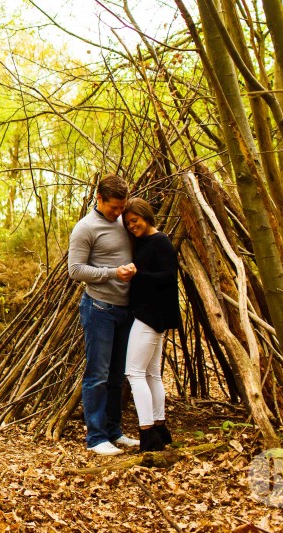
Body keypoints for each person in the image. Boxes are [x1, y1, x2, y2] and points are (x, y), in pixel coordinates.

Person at [68, 174, 139, 456]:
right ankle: (96, 438)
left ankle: (114, 432)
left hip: (125, 309)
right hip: (99, 309)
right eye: (114, 207)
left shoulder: (125, 221)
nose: (119, 213)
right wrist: (113, 273)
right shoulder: (85, 228)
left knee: (116, 376)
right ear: (99, 198)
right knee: (97, 374)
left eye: (122, 207)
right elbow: (75, 270)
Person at [123, 198, 181, 452]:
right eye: (128, 223)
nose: (131, 226)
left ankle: (147, 432)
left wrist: (138, 275)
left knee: (134, 373)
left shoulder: (160, 240)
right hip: (150, 314)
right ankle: (159, 427)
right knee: (151, 374)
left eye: (135, 220)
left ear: (146, 216)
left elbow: (169, 275)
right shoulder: (145, 242)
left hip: (150, 316)